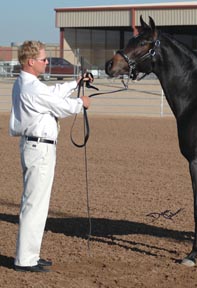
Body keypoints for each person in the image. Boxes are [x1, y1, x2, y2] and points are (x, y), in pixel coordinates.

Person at [9, 40, 92, 272]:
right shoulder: (31, 87)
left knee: (37, 203)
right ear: (30, 61)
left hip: (37, 148)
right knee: (35, 204)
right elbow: (59, 106)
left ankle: (30, 256)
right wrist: (81, 103)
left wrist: (75, 83)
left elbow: (51, 93)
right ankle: (25, 260)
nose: (47, 62)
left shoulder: (27, 83)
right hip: (39, 149)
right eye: (44, 59)